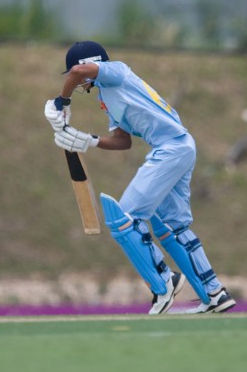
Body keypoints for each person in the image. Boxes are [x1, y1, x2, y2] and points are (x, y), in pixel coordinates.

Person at [44, 41, 236, 315]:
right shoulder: (107, 96)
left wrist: (61, 103)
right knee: (173, 227)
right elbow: (123, 141)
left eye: (77, 80)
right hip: (179, 147)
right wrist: (88, 141)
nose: (75, 83)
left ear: (90, 67)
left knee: (124, 219)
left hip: (171, 149)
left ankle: (163, 283)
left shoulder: (115, 71)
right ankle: (214, 293)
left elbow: (76, 71)